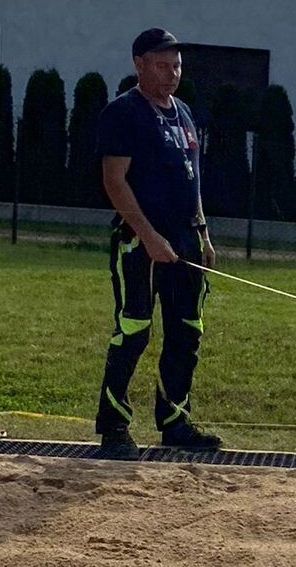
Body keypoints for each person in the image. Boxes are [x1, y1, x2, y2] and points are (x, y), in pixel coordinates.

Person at [93, 27, 221, 461]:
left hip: (186, 241)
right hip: (139, 242)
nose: (172, 74)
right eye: (163, 66)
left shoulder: (183, 113)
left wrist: (203, 232)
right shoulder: (123, 113)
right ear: (139, 64)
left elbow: (192, 177)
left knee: (186, 331)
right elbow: (114, 181)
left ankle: (175, 422)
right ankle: (114, 427)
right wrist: (149, 236)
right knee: (134, 331)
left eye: (177, 66)